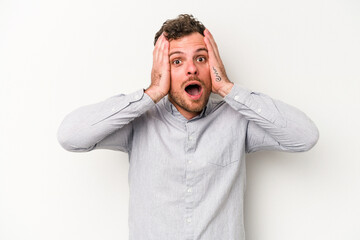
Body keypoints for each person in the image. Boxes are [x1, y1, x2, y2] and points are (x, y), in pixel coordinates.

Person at [57, 14, 319, 240]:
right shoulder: (138, 120)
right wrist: (152, 92)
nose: (192, 69)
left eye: (201, 59)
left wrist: (227, 87)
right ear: (163, 69)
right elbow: (70, 136)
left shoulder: (237, 119)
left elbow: (305, 137)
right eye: (177, 61)